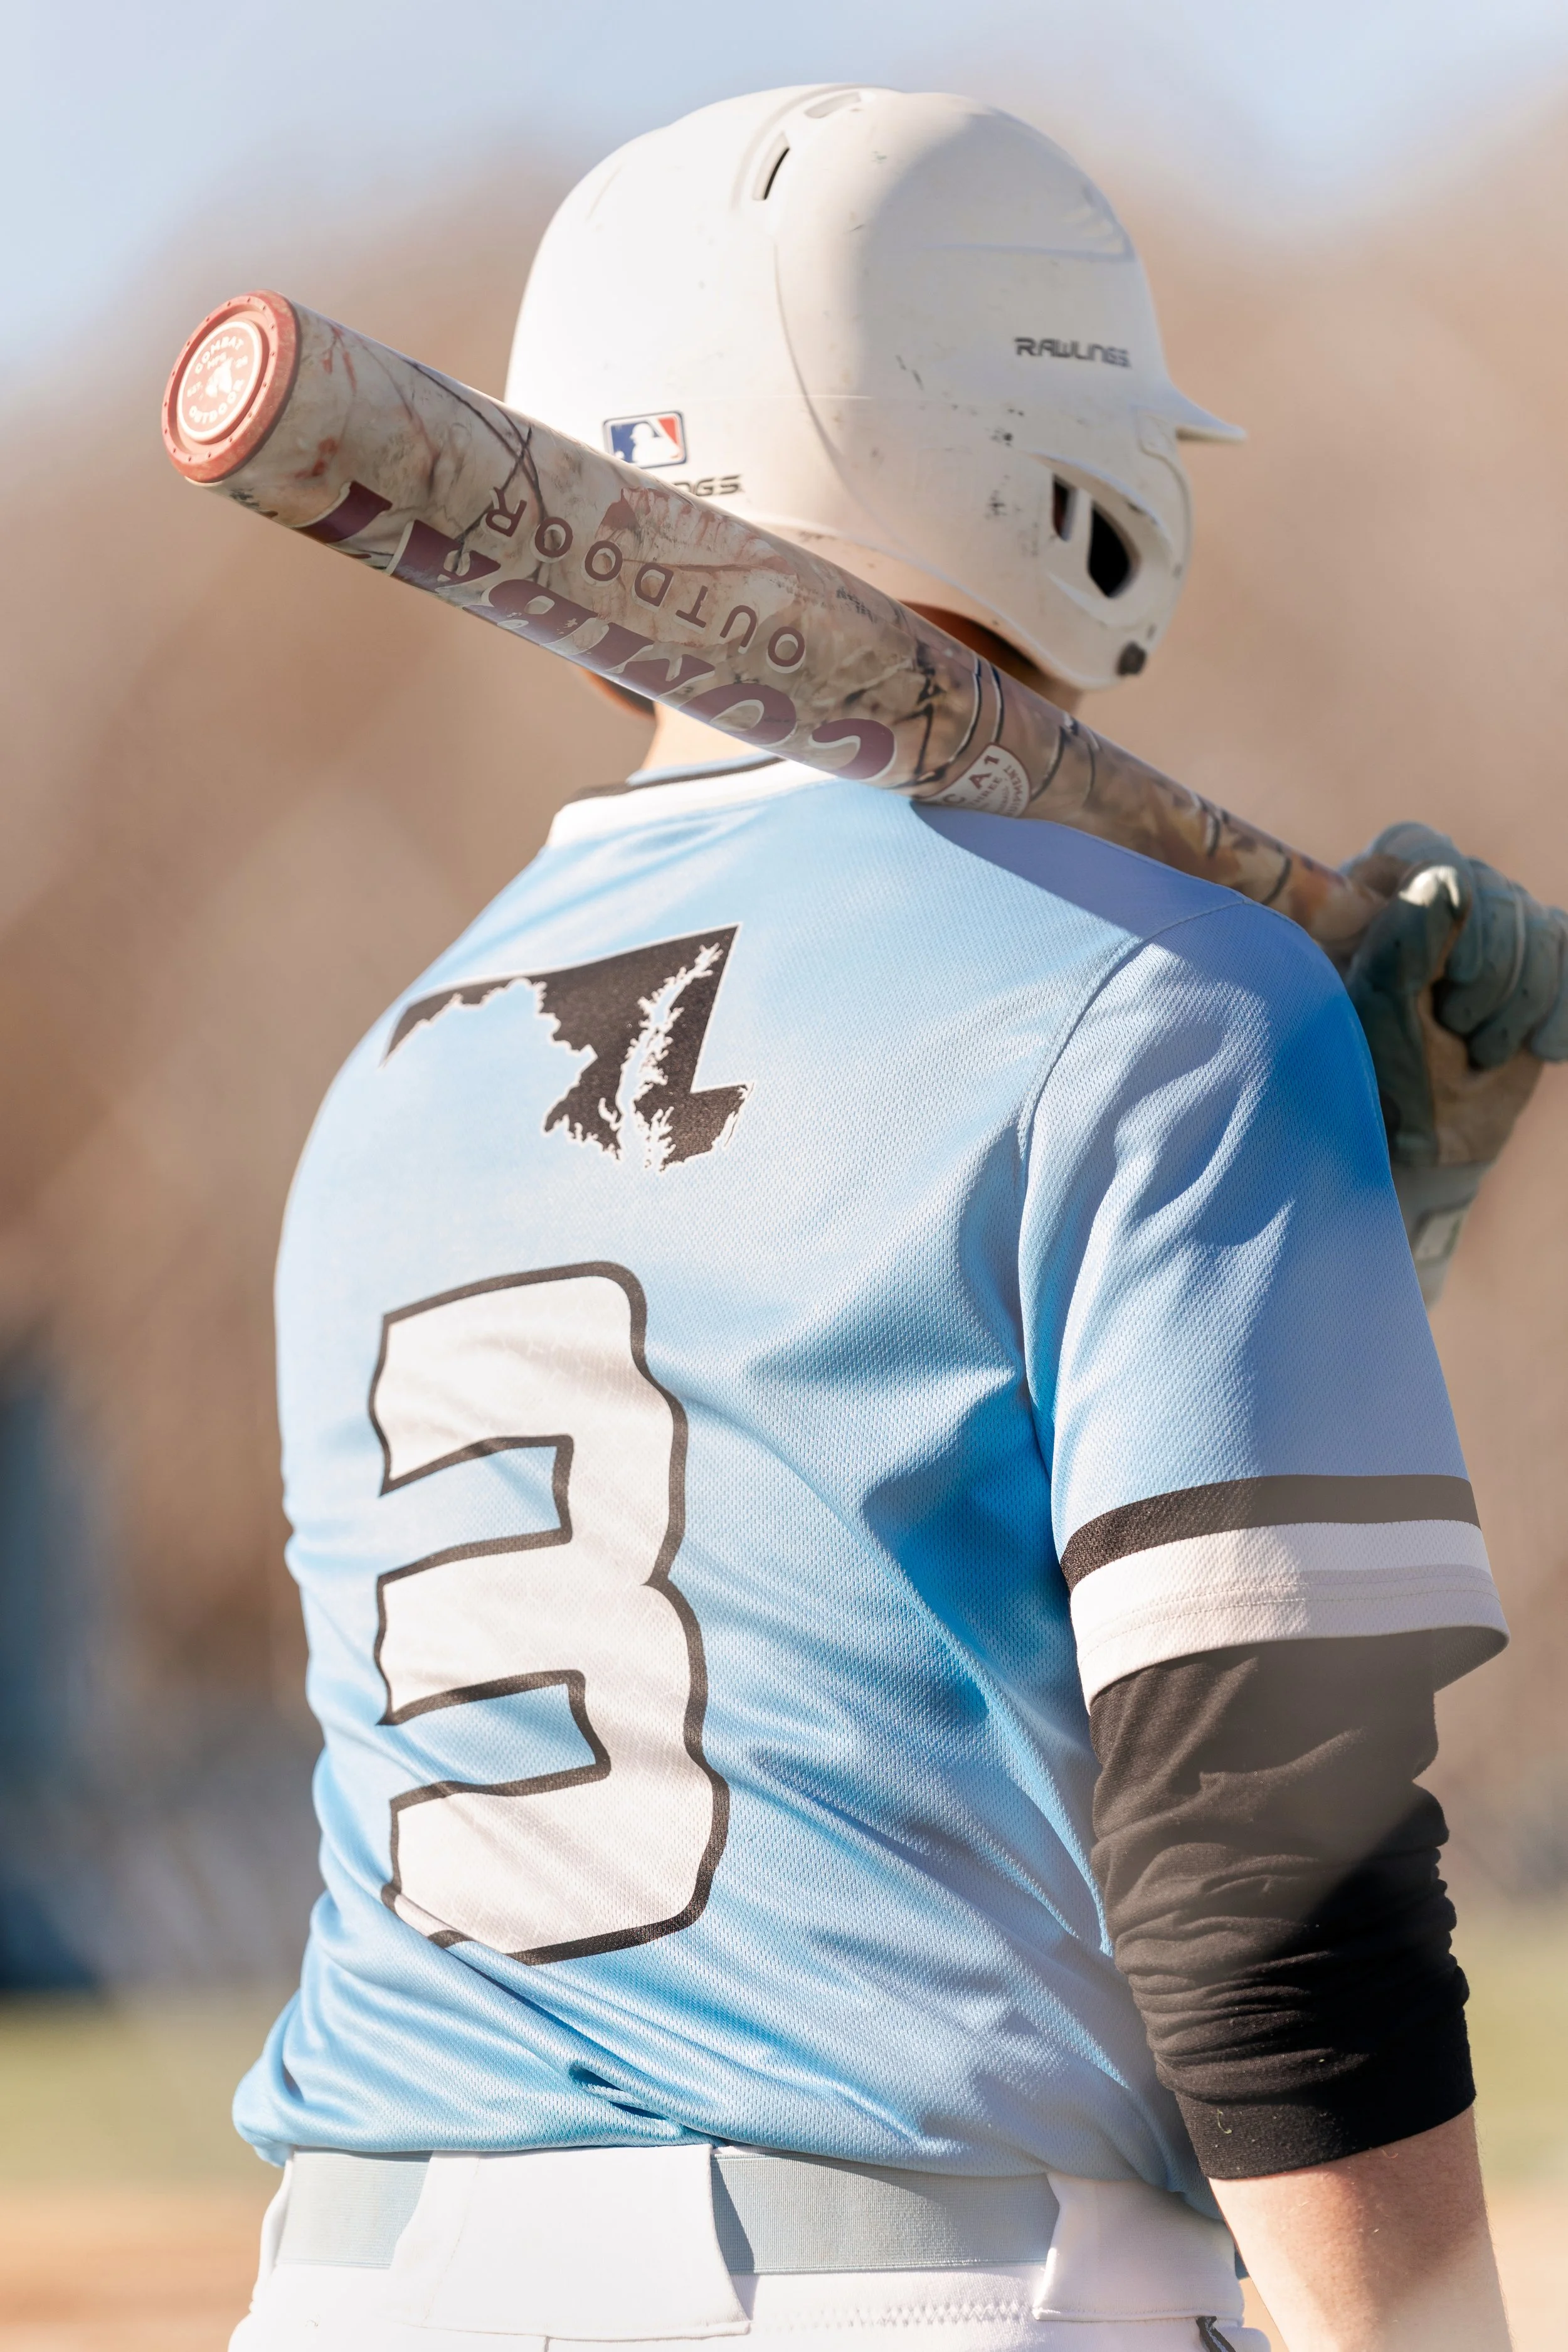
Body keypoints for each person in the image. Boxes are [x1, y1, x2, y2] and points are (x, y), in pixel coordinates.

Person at [229, 87, 1561, 2352]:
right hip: (919, 2287)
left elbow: (863, 1580)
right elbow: (1267, 1860)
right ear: (1065, 456)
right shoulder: (1168, 1002)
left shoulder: (392, 1069)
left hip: (359, 2283)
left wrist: (1371, 1198)